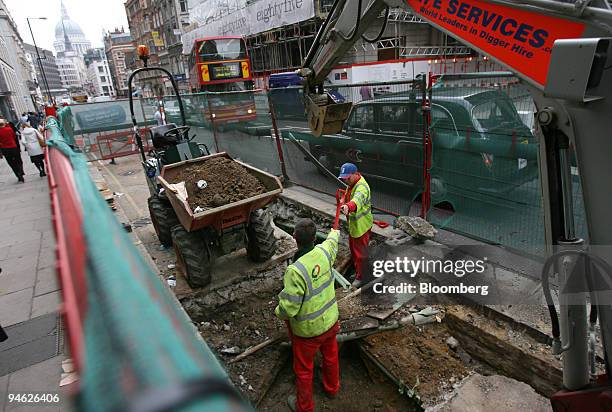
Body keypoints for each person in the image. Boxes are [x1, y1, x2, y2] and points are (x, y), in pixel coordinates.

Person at [275, 219, 340, 412]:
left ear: (294, 238)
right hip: (330, 322)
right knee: (331, 356)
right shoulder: (325, 252)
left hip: (308, 333)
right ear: (315, 237)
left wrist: (278, 311)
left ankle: (304, 407)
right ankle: (332, 388)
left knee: (304, 370)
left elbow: (290, 309)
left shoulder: (295, 270)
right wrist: (335, 230)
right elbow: (333, 239)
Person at [338, 163, 373, 288]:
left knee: (360, 253)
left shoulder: (362, 187)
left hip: (361, 226)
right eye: (344, 178)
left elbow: (357, 200)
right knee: (354, 250)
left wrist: (348, 206)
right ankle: (359, 272)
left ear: (355, 174)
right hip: (355, 226)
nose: (345, 180)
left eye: (347, 177)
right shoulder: (353, 184)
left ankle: (361, 277)